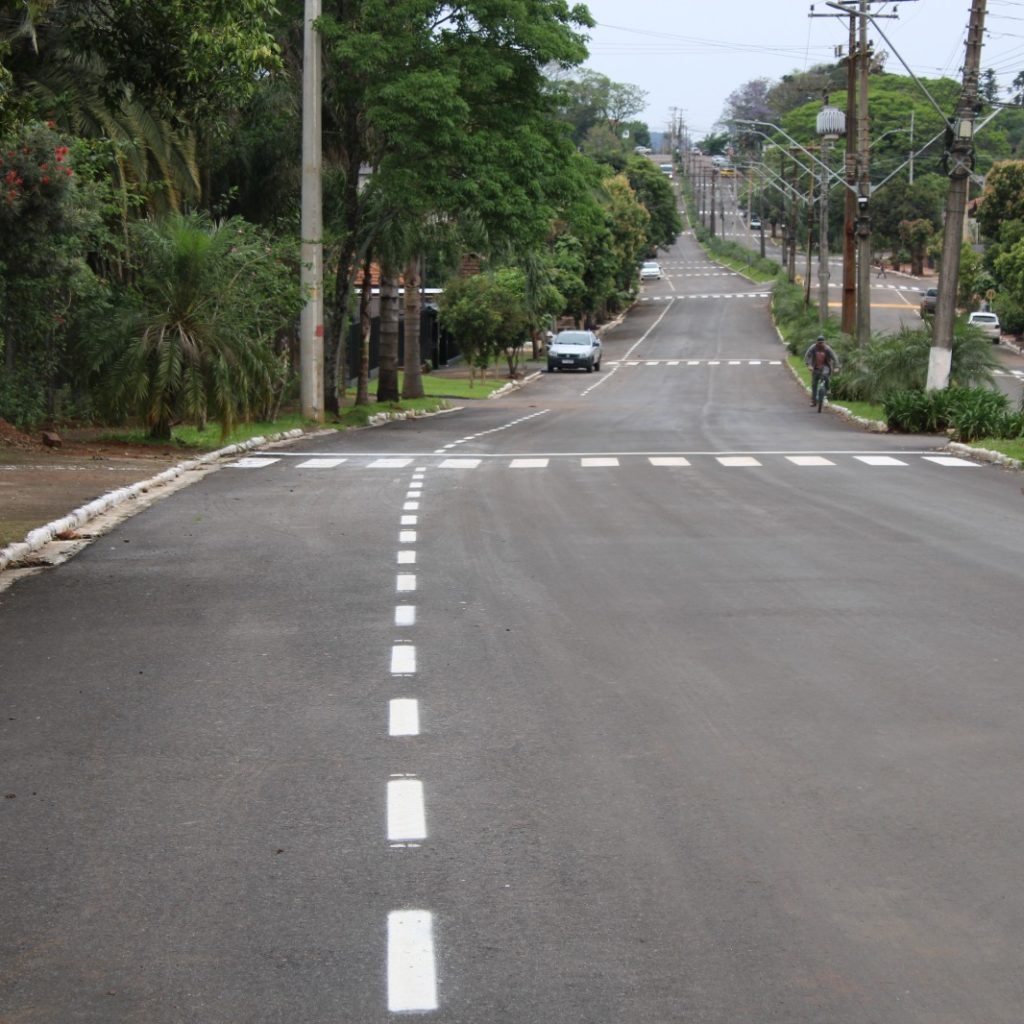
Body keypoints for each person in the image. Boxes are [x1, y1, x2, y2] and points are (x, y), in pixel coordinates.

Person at [803, 335, 840, 406]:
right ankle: (813, 401)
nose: (820, 344)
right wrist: (809, 365)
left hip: (825, 366)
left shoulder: (827, 349)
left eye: (822, 343)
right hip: (815, 367)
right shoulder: (813, 348)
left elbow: (834, 357)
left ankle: (828, 389)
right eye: (819, 343)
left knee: (825, 375)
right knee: (814, 384)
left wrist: (836, 367)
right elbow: (807, 356)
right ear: (816, 342)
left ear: (824, 342)